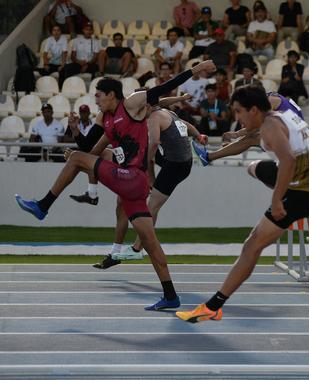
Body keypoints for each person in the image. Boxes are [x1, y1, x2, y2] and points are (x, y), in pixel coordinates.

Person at [16, 60, 218, 311]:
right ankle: (170, 295)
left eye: (98, 95)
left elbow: (165, 88)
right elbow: (88, 148)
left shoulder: (132, 104)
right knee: (151, 244)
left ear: (112, 94)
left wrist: (196, 70)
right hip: (131, 185)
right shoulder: (104, 117)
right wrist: (75, 130)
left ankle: (43, 206)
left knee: (80, 160)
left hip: (133, 177)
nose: (96, 100)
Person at [176, 85, 309, 323]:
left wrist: (277, 200)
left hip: (303, 191)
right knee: (254, 168)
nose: (237, 118)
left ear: (255, 110)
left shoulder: (270, 126)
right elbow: (277, 148)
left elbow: (288, 160)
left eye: (239, 112)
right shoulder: (276, 118)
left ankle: (213, 307)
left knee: (251, 246)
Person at [109, 105, 207, 262]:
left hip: (175, 165)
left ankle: (137, 249)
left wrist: (141, 164)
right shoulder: (168, 112)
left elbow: (154, 143)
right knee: (152, 201)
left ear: (146, 105)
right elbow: (185, 125)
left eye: (138, 106)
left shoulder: (154, 118)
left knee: (151, 207)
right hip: (179, 162)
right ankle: (139, 246)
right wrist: (198, 135)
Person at [192, 91, 304, 166]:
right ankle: (209, 156)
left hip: (294, 146)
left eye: (239, 110)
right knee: (253, 138)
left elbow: (257, 126)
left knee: (252, 138)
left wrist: (237, 134)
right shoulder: (273, 98)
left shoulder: (270, 101)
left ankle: (209, 157)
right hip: (296, 140)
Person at [67, 104, 103, 206]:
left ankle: (45, 203)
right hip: (119, 155)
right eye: (81, 112)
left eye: (85, 112)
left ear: (89, 113)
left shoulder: (100, 121)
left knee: (77, 158)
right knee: (120, 208)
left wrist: (76, 156)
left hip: (121, 159)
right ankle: (92, 193)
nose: (97, 101)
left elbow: (88, 146)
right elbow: (87, 145)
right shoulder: (102, 119)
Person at [59, 21, 100, 86]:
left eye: (90, 30)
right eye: (86, 29)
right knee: (66, 68)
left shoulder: (96, 42)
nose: (88, 32)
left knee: (96, 69)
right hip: (78, 63)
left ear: (92, 31)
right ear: (83, 30)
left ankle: (93, 88)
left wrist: (86, 65)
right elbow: (73, 56)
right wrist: (80, 63)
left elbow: (95, 57)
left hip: (90, 64)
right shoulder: (76, 40)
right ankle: (64, 87)